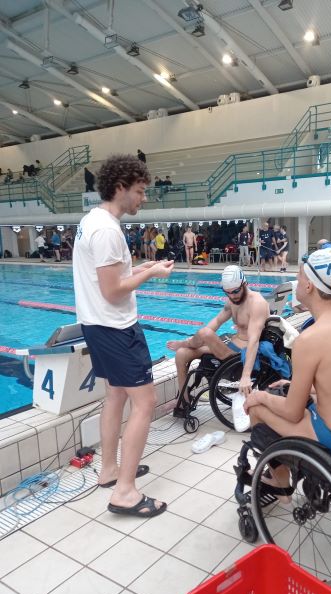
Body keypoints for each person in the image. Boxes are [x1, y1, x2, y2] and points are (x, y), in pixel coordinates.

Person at [72, 153, 174, 518]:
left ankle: (110, 471)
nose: (143, 199)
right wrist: (151, 275)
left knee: (115, 396)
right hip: (116, 327)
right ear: (120, 188)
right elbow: (113, 291)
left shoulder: (92, 221)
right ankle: (125, 493)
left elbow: (111, 279)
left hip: (97, 325)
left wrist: (142, 267)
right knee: (144, 403)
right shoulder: (107, 230)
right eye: (140, 191)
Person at [243, 248, 331, 481]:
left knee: (257, 408)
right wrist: (295, 383)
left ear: (309, 286)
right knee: (298, 396)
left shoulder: (309, 339)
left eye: (298, 278)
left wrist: (259, 397)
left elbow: (293, 413)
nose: (296, 283)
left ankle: (280, 484)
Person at [167, 265, 270, 414]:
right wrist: (200, 339)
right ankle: (183, 401)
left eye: (236, 291)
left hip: (240, 357)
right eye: (228, 293)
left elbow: (254, 341)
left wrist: (246, 375)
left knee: (205, 334)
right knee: (182, 354)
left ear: (244, 284)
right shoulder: (232, 301)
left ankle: (186, 342)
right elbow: (217, 321)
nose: (233, 296)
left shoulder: (257, 303)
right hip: (231, 347)